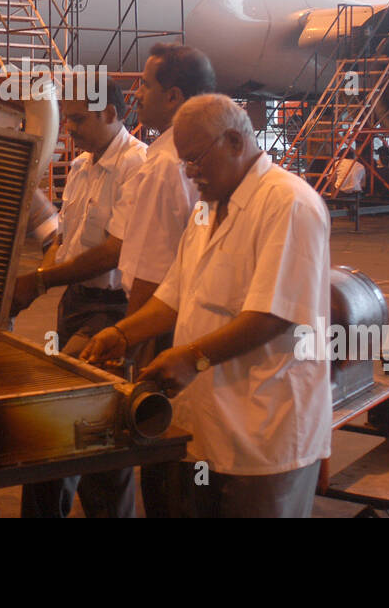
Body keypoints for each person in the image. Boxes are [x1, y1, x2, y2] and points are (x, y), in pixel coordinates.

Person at [82, 94, 332, 518]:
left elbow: (272, 313)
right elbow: (175, 296)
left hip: (264, 429)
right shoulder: (207, 208)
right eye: (185, 163)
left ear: (234, 141)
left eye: (196, 159)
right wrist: (122, 334)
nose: (191, 173)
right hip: (207, 423)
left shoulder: (288, 203)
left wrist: (192, 358)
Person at [13, 77, 146, 518]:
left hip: (112, 311)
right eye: (67, 118)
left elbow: (114, 251)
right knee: (78, 426)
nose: (68, 128)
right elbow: (66, 241)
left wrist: (42, 280)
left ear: (111, 113)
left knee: (82, 422)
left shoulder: (137, 166)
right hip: (75, 303)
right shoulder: (82, 166)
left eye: (78, 119)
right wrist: (41, 279)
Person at [105, 43, 215, 516]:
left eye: (145, 84)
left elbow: (150, 274)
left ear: (173, 96)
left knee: (162, 452)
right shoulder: (180, 158)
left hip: (161, 328)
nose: (137, 92)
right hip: (181, 323)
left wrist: (127, 345)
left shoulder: (167, 164)